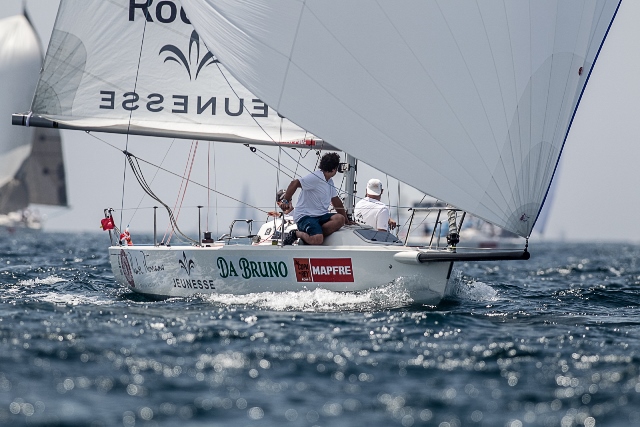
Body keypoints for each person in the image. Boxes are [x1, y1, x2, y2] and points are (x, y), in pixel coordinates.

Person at [280, 152, 348, 245]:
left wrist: (347, 221)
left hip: (320, 216)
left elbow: (336, 200)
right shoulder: (316, 177)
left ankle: (314, 234)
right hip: (305, 216)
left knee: (340, 219)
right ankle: (296, 234)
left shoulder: (329, 181)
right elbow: (294, 183)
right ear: (333, 169)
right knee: (318, 240)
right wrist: (286, 200)